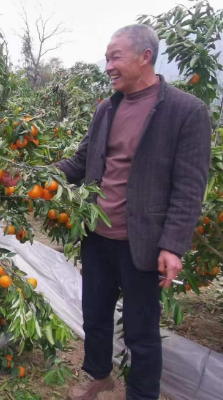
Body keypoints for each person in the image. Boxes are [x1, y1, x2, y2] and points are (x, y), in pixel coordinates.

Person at [54, 25, 211, 400]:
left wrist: (173, 245)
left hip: (143, 241)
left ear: (145, 57)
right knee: (94, 315)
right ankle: (98, 375)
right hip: (97, 236)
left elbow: (190, 186)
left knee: (141, 330)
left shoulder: (186, 111)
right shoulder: (107, 108)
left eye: (115, 57)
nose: (108, 65)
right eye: (106, 57)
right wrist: (35, 177)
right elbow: (81, 161)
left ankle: (141, 395)